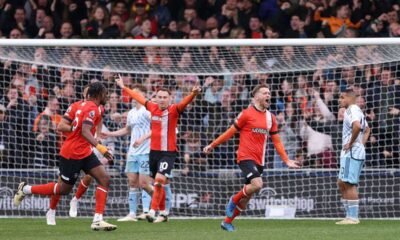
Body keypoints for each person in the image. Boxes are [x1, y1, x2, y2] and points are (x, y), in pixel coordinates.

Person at [13, 82, 117, 231]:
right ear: (99, 94)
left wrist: (96, 140)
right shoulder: (90, 108)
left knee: (104, 179)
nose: (107, 96)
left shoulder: (91, 107)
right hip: (72, 153)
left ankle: (97, 219)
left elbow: (90, 129)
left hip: (85, 151)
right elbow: (83, 132)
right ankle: (26, 189)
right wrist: (101, 148)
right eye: (105, 93)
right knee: (63, 189)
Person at [203, 85, 300, 232]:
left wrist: (286, 160)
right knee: (258, 184)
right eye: (264, 93)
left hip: (259, 160)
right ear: (255, 96)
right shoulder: (246, 114)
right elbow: (230, 132)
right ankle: (233, 199)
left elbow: (277, 140)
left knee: (247, 198)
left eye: (269, 92)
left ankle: (227, 222)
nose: (268, 95)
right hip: (245, 156)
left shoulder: (271, 118)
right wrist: (213, 145)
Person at [115, 75, 201, 223]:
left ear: (170, 99)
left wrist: (193, 93)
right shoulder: (152, 107)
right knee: (155, 184)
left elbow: (185, 102)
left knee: (159, 181)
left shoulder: (174, 110)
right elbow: (138, 97)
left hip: (168, 153)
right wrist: (124, 88)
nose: (161, 99)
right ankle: (163, 213)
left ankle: (152, 211)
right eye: (159, 97)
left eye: (164, 97)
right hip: (153, 153)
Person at [45, 85, 105, 225]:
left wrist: (98, 135)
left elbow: (99, 120)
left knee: (94, 176)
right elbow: (60, 126)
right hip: (73, 148)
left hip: (88, 148)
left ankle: (76, 200)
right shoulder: (75, 106)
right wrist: (75, 128)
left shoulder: (98, 107)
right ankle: (52, 210)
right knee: (62, 185)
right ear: (85, 94)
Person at [102, 86, 153, 222]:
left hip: (146, 152)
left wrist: (143, 138)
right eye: (133, 93)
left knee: (144, 182)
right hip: (132, 152)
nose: (134, 95)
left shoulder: (148, 111)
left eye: (137, 93)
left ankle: (147, 211)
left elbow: (157, 128)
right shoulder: (131, 113)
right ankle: (132, 214)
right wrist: (109, 134)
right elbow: (127, 130)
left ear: (143, 95)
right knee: (132, 182)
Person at [336, 88, 370, 225]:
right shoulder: (356, 111)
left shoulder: (352, 109)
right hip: (352, 151)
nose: (340, 100)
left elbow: (357, 126)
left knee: (349, 184)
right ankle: (348, 216)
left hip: (351, 152)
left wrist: (352, 144)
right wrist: (360, 144)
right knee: (341, 182)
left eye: (342, 97)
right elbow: (367, 129)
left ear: (350, 98)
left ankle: (353, 218)